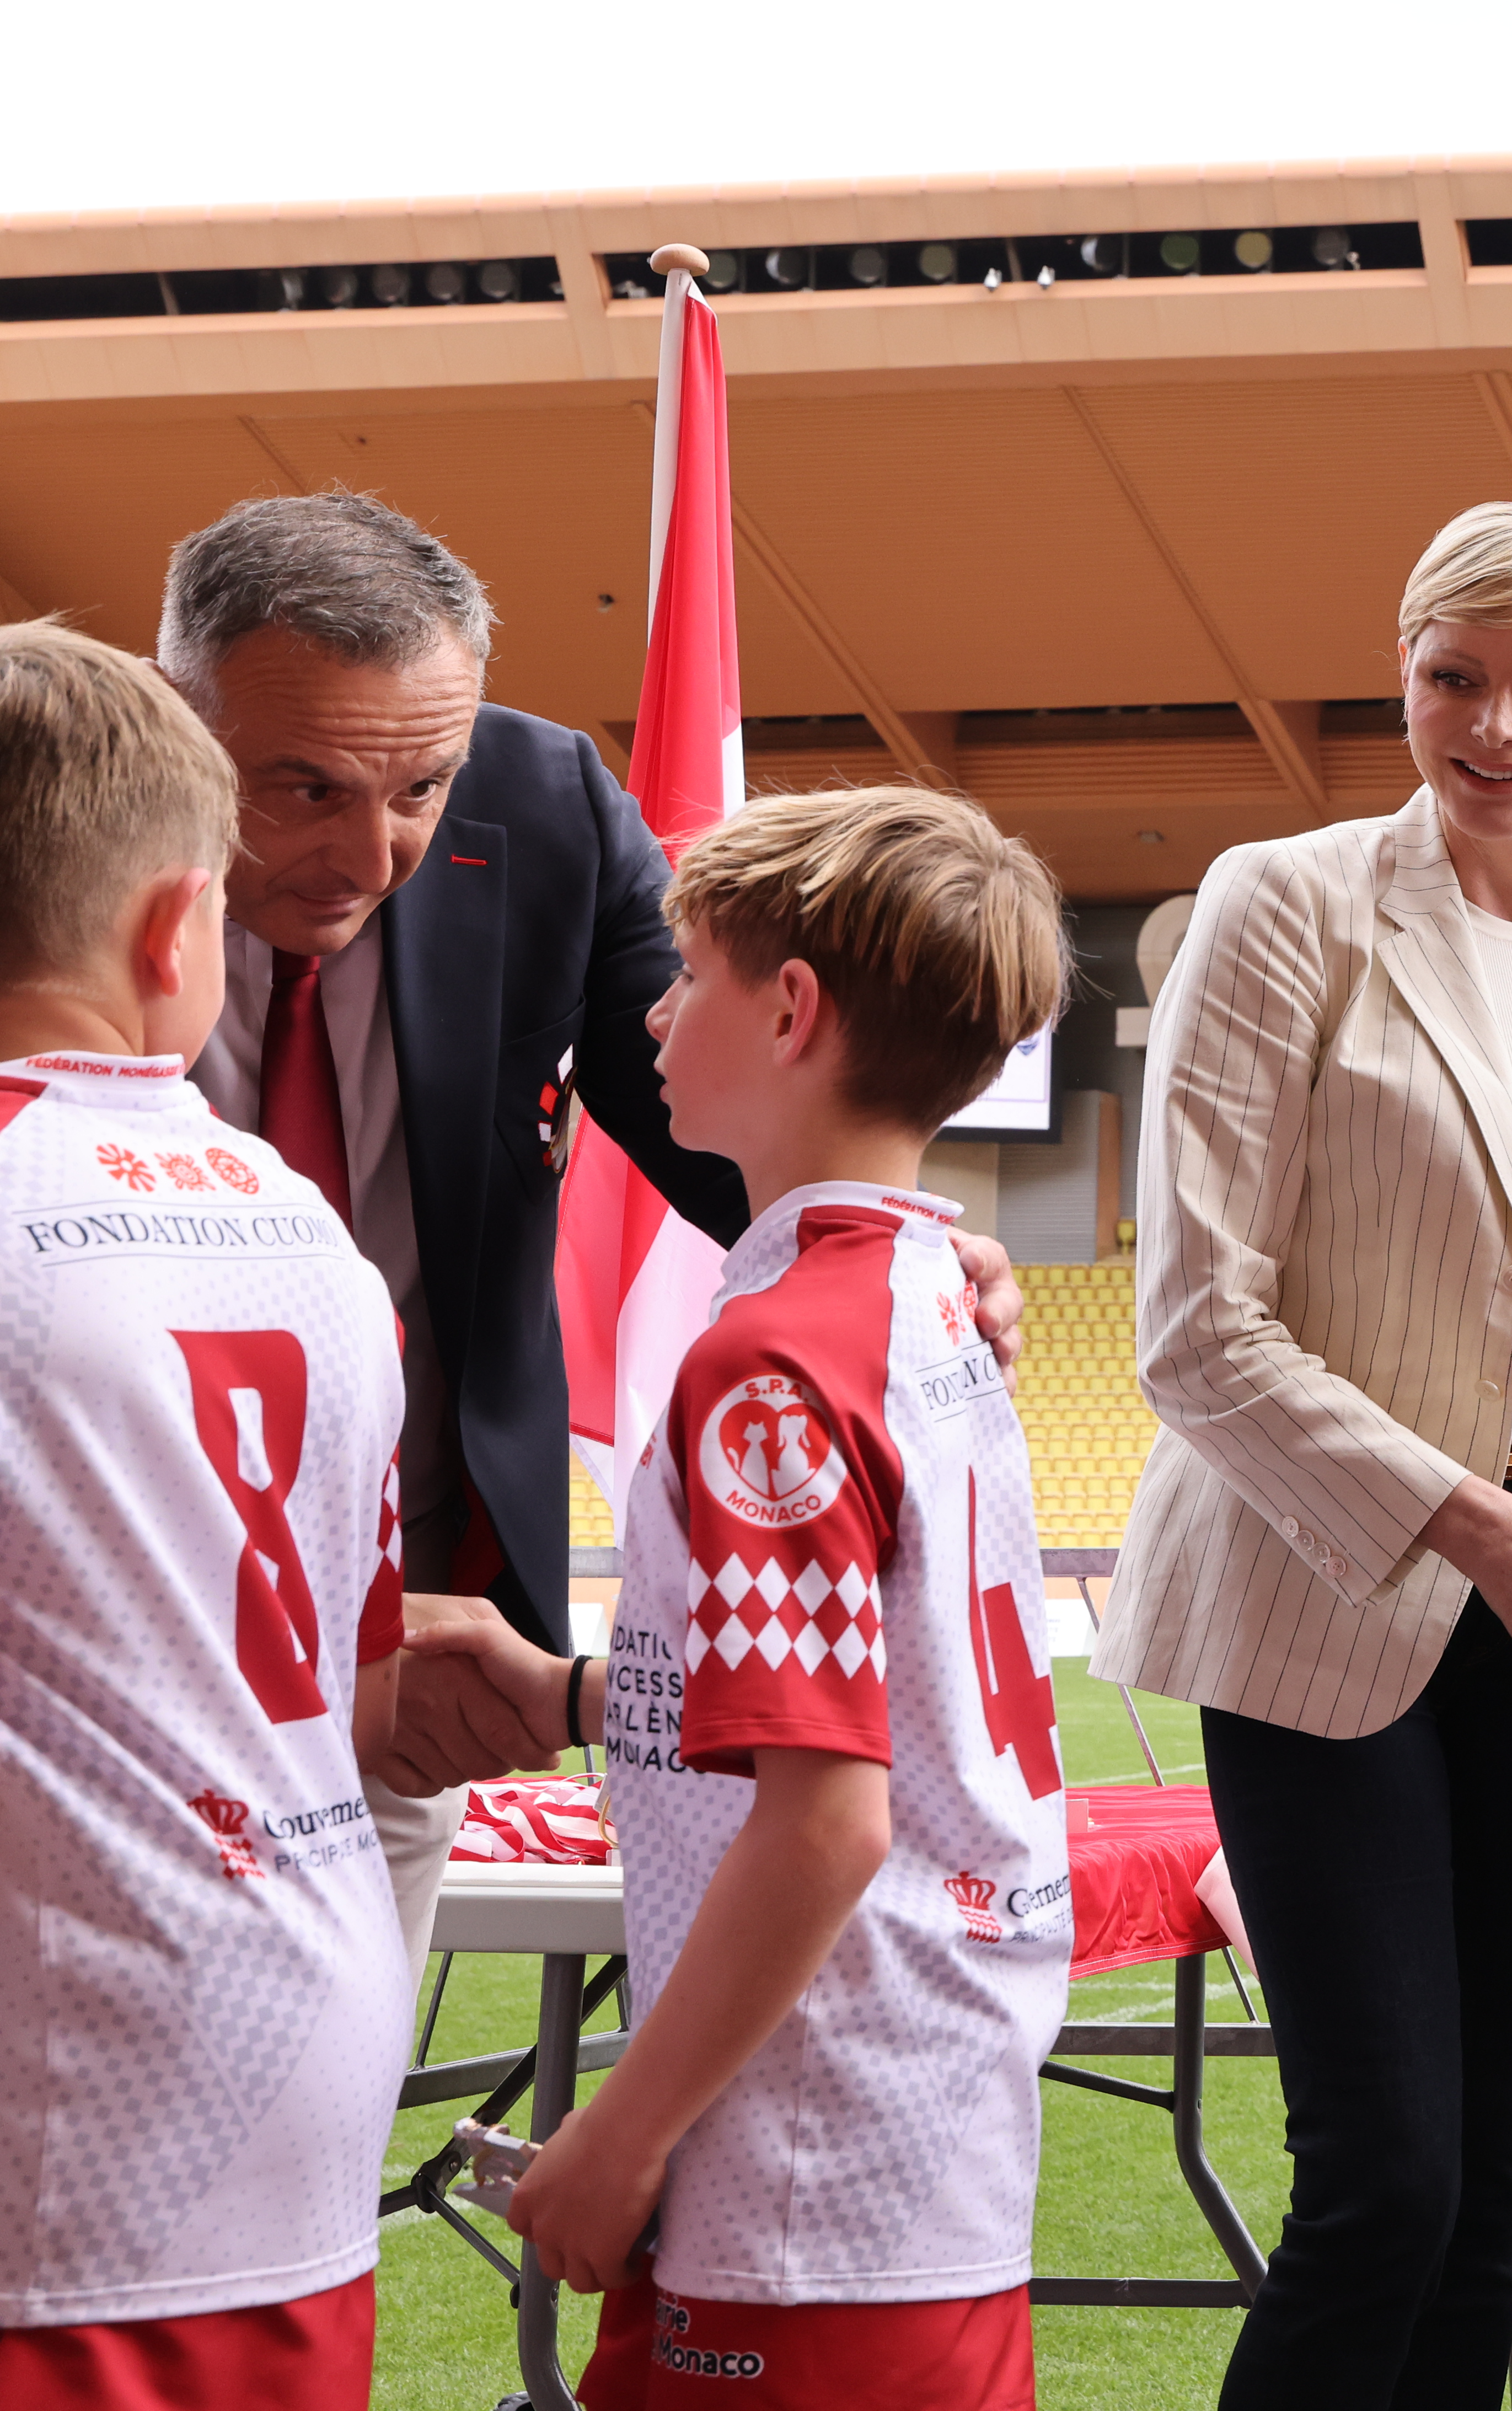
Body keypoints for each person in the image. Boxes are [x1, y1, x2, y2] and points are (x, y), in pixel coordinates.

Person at [153, 490, 1026, 1988]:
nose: (373, 852)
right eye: (303, 789)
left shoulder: (547, 804)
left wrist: (895, 1249)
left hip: (417, 1632)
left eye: (421, 787)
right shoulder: (47, 810)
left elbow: (742, 1109)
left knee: (337, 2089)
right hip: (104, 1609)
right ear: (175, 721)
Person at [1093, 502, 1512, 2405]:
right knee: (1382, 2182)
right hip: (1329, 1594)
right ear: (1403, 678)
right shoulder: (1282, 904)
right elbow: (1198, 1327)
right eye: (1453, 677)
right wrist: (1484, 1529)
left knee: (1479, 2195)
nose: (1495, 725)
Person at [405, 786, 1072, 2408]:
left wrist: (621, 2135)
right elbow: (882, 1684)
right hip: (924, 2114)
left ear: (790, 1013)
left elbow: (827, 1817)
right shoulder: (929, 1295)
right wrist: (578, 1693)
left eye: (688, 974)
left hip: (805, 2153)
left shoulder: (774, 1356)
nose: (650, 1011)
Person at [0, 621, 420, 2408]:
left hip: (59, 2106)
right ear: (183, 928)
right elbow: (363, 1684)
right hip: (290, 2056)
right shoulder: (299, 1218)